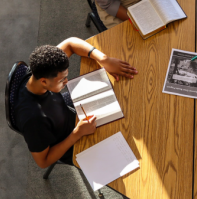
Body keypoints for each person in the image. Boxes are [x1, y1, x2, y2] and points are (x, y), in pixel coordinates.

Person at [14, 37, 138, 168]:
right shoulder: (34, 120)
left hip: (70, 115)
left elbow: (70, 43)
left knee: (124, 102)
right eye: (62, 80)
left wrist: (103, 59)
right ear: (44, 81)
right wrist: (77, 133)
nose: (67, 82)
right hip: (71, 142)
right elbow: (43, 162)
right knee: (128, 148)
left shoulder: (39, 70)